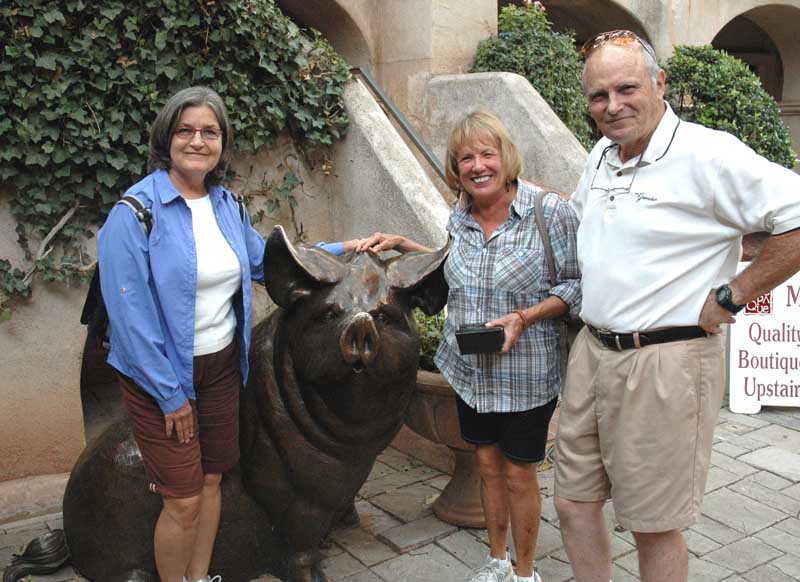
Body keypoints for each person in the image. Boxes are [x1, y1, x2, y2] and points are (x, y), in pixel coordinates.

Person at [553, 30, 800, 582]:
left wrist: (734, 293)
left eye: (626, 88)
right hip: (592, 352)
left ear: (659, 83)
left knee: (653, 525)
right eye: (598, 95)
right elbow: (580, 220)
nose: (612, 106)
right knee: (572, 502)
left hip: (666, 360)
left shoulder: (708, 154)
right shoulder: (601, 155)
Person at [97, 86, 359, 582]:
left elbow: (266, 263)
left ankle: (200, 577)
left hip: (220, 365)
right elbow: (131, 320)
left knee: (212, 480)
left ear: (222, 142)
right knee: (182, 498)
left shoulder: (227, 206)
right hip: (159, 376)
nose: (198, 141)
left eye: (210, 132)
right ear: (166, 137)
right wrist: (171, 396)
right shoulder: (134, 213)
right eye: (186, 130)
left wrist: (346, 248)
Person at [358, 111, 580, 582]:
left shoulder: (549, 212)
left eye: (486, 154)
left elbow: (576, 286)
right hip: (470, 370)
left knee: (519, 473)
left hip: (525, 373)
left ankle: (525, 573)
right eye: (465, 158)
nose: (477, 166)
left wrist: (524, 317)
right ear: (455, 168)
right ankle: (497, 561)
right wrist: (404, 244)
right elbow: (457, 265)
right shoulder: (459, 215)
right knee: (486, 467)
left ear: (506, 158)